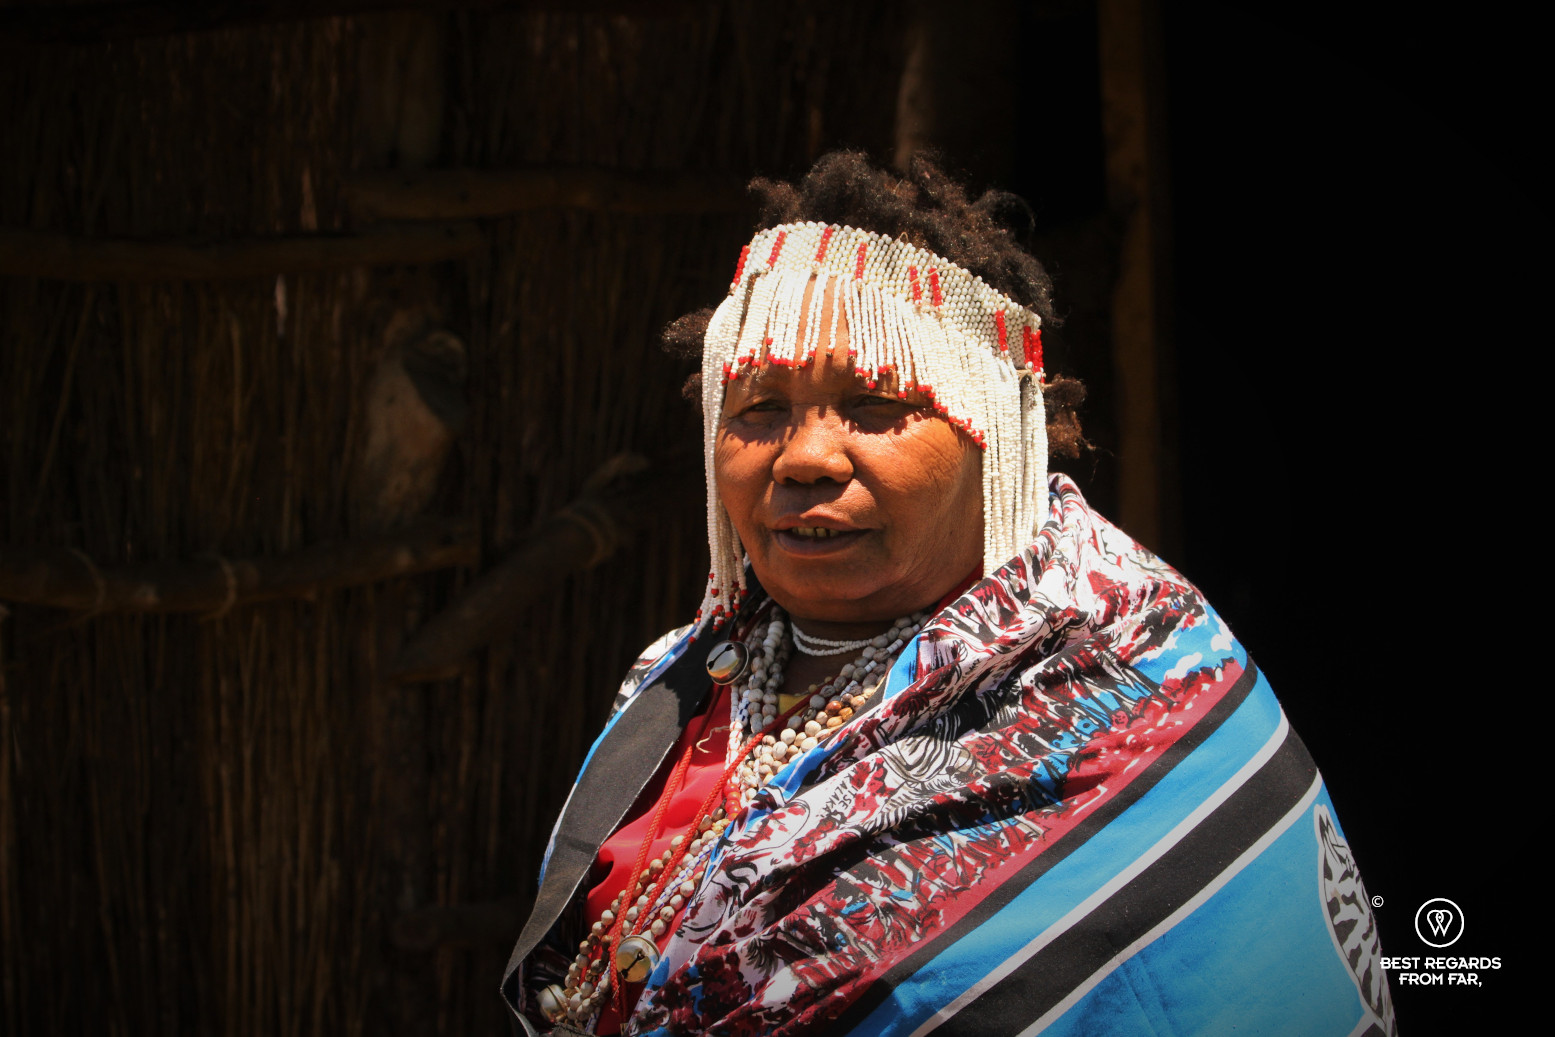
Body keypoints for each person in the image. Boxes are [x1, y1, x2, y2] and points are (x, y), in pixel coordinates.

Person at [501, 153, 1395, 1037]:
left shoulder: (1129, 681)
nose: (804, 456)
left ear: (993, 431)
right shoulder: (679, 679)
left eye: (874, 401)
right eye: (758, 408)